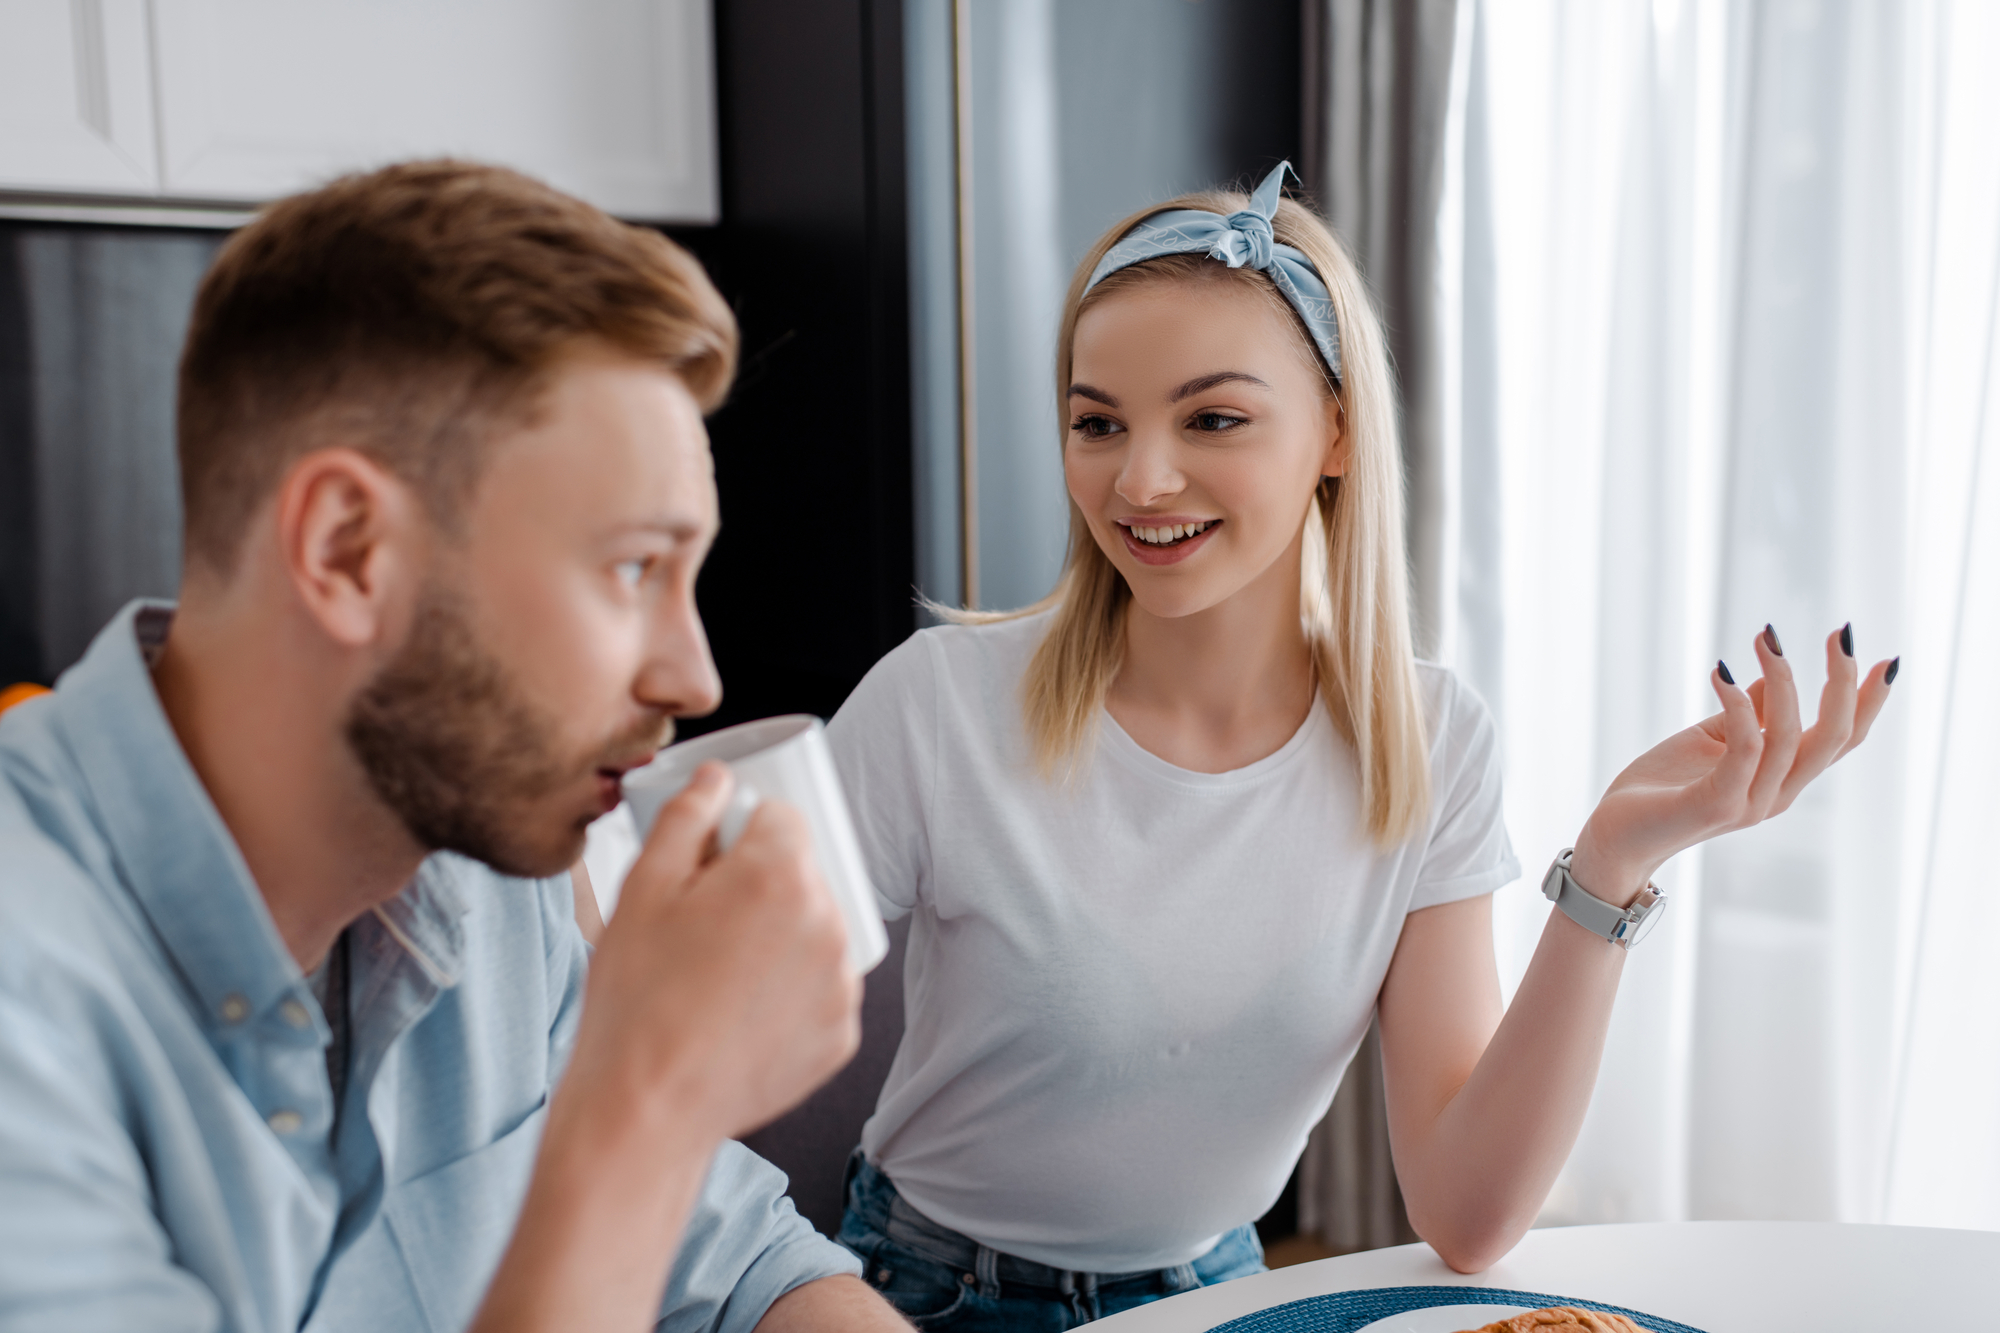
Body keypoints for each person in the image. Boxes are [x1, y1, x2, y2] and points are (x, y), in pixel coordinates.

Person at [825, 163, 1896, 1330]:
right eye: (1097, 422)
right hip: (917, 1295)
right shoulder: (934, 707)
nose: (1137, 478)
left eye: (1212, 418)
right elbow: (668, 1075)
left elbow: (1467, 1211)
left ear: (1334, 431)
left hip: (1216, 1294)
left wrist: (1607, 870)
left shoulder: (1427, 741)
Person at [0, 161, 910, 1333]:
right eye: (633, 567)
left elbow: (738, 1266)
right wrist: (648, 1107)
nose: (694, 676)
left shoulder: (481, 862)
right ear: (346, 551)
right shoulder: (31, 1003)